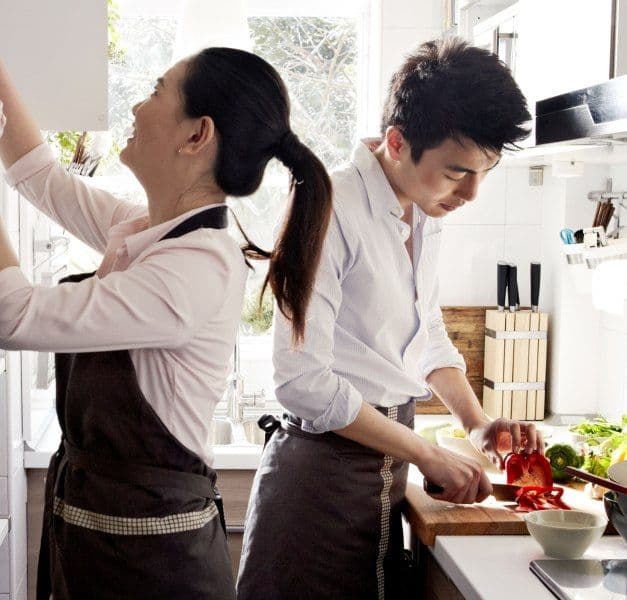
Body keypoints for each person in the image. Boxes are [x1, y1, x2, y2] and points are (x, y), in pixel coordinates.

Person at [0, 47, 331, 600]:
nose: (136, 104)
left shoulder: (195, 268)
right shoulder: (146, 230)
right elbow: (38, 174)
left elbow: (13, 314)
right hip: (98, 554)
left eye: (156, 90)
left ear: (197, 135)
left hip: (156, 573)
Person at [237, 38, 541, 600]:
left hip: (383, 476)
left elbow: (424, 333)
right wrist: (426, 451)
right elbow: (300, 380)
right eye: (457, 172)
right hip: (319, 485)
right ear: (397, 142)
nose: (471, 193)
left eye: (484, 173)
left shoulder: (423, 211)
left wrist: (476, 424)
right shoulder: (327, 205)